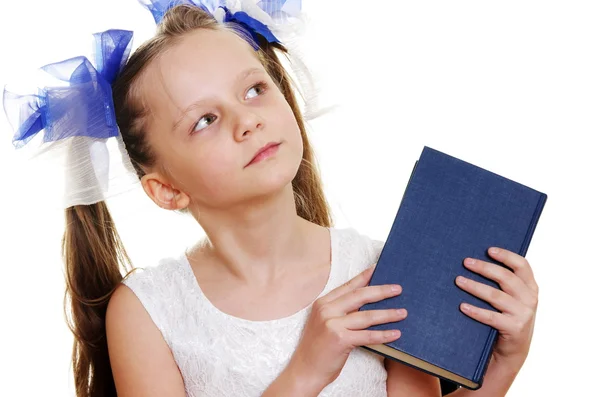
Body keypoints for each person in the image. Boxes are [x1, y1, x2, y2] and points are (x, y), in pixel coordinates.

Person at [4, 2, 539, 396]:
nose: (247, 120)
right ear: (166, 190)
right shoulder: (147, 312)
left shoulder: (380, 269)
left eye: (254, 89)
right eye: (205, 120)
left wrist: (501, 367)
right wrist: (305, 370)